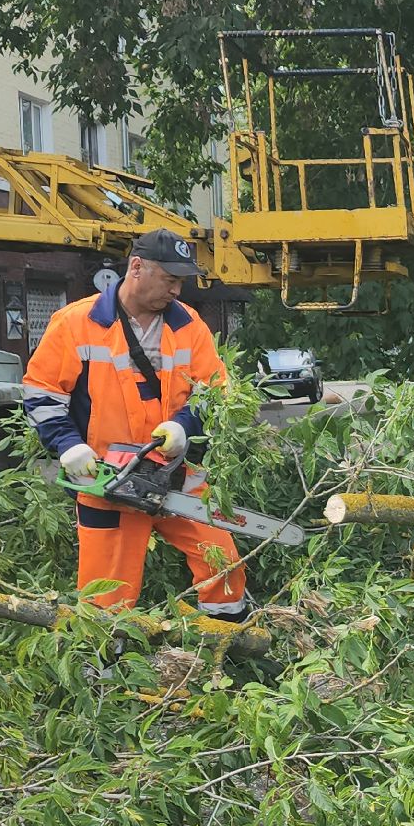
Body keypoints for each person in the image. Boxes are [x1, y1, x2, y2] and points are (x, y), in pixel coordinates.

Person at [21, 230, 251, 621]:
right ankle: (105, 677)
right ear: (137, 268)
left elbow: (214, 392)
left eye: (181, 281)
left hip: (176, 473)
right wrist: (67, 445)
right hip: (107, 479)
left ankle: (221, 655)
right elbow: (41, 393)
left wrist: (184, 425)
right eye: (169, 279)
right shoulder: (77, 322)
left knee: (223, 564)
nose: (176, 290)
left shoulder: (188, 326)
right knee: (104, 595)